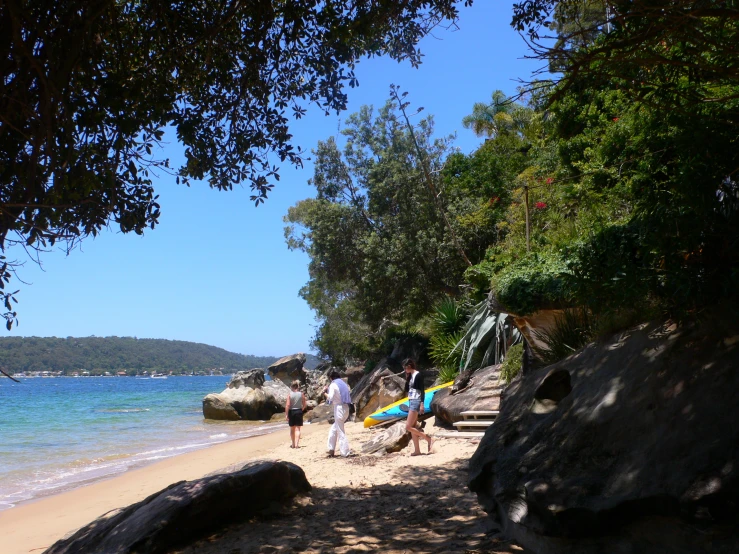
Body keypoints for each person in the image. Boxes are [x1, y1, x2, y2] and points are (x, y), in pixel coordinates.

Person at [403, 358, 433, 456]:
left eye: (405, 368)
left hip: (416, 401)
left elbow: (422, 390)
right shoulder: (410, 376)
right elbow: (406, 389)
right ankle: (417, 450)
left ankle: (428, 439)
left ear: (409, 366)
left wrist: (422, 404)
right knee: (413, 427)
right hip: (411, 400)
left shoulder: (418, 375)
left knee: (408, 427)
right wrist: (407, 377)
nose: (404, 370)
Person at [325, 370, 352, 457]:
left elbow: (330, 397)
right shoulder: (344, 384)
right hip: (346, 407)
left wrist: (324, 393)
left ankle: (345, 452)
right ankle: (331, 449)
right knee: (334, 428)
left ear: (331, 378)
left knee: (340, 431)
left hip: (339, 408)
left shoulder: (333, 384)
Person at [285, 380, 307, 448]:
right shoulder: (301, 394)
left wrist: (286, 414)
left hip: (291, 411)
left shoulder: (289, 395)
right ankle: (297, 444)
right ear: (297, 386)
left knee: (292, 429)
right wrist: (302, 409)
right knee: (298, 429)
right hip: (299, 411)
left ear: (291, 387)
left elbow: (287, 405)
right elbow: (304, 403)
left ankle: (293, 444)